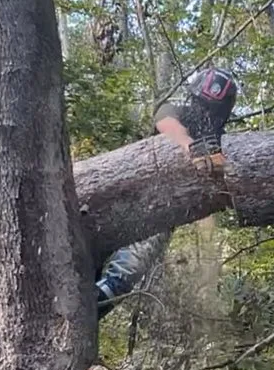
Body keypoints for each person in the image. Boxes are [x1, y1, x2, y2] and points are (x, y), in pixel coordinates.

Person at [96, 66, 237, 316]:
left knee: (123, 278)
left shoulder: (221, 143)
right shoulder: (174, 115)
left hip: (158, 216)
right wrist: (191, 147)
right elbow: (165, 121)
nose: (204, 114)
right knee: (89, 264)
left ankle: (79, 318)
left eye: (211, 111)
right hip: (121, 197)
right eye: (201, 106)